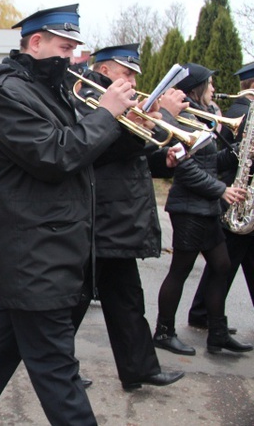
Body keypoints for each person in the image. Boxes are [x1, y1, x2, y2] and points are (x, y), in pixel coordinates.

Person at [0, 4, 139, 425]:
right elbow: (56, 155)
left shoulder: (50, 90)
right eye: (64, 47)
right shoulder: (7, 93)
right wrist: (106, 112)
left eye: (74, 48)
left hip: (55, 249)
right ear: (36, 42)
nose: (72, 57)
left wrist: (133, 123)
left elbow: (91, 149)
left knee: (0, 347)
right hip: (34, 252)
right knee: (58, 373)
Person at [68, 44, 185, 391]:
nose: (133, 81)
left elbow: (132, 156)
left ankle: (139, 368)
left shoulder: (116, 99)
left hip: (119, 215)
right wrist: (161, 118)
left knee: (128, 300)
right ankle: (56, 367)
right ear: (105, 70)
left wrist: (162, 160)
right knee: (75, 302)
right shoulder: (86, 96)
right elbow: (99, 148)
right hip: (100, 214)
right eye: (127, 73)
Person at [153, 63, 252, 355]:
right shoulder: (181, 121)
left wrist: (237, 153)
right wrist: (223, 189)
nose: (213, 89)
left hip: (205, 207)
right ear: (196, 87)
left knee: (222, 266)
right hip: (188, 209)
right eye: (209, 84)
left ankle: (217, 333)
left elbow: (210, 162)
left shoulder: (199, 117)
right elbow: (186, 171)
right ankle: (164, 331)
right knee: (179, 270)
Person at [187, 62, 254, 330]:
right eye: (210, 84)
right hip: (234, 195)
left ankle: (204, 313)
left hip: (236, 194)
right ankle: (204, 314)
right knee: (224, 261)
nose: (214, 89)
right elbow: (220, 158)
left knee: (235, 259)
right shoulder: (243, 110)